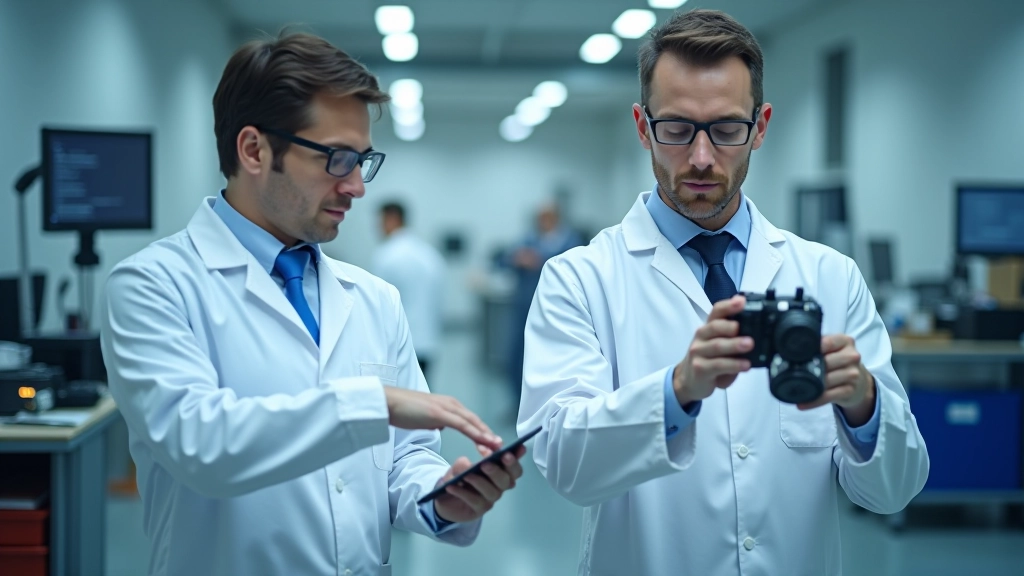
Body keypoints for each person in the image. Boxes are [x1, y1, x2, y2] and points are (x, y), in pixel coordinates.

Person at [517, 9, 929, 576]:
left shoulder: (830, 277)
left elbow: (895, 490)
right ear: (643, 126)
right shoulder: (581, 279)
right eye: (678, 129)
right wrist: (678, 391)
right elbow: (565, 464)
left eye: (727, 130)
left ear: (760, 127)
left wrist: (863, 405)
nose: (703, 157)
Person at [101, 33, 525, 576]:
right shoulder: (153, 285)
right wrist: (372, 403)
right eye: (337, 159)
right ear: (254, 150)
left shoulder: (373, 298)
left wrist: (439, 498)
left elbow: (407, 455)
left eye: (363, 161)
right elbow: (199, 445)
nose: (356, 187)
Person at [501, 203, 582, 405]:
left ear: (556, 218)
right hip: (525, 308)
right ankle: (518, 403)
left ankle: (550, 404)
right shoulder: (528, 239)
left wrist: (541, 259)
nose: (542, 222)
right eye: (539, 217)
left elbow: (578, 268)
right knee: (517, 357)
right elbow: (504, 261)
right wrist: (517, 259)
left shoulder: (571, 241)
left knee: (556, 359)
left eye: (546, 217)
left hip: (561, 310)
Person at [372, 201, 445, 381]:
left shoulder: (387, 254)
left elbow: (378, 303)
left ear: (392, 219)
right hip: (427, 340)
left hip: (398, 344)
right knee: (423, 395)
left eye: (380, 222)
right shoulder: (429, 254)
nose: (378, 228)